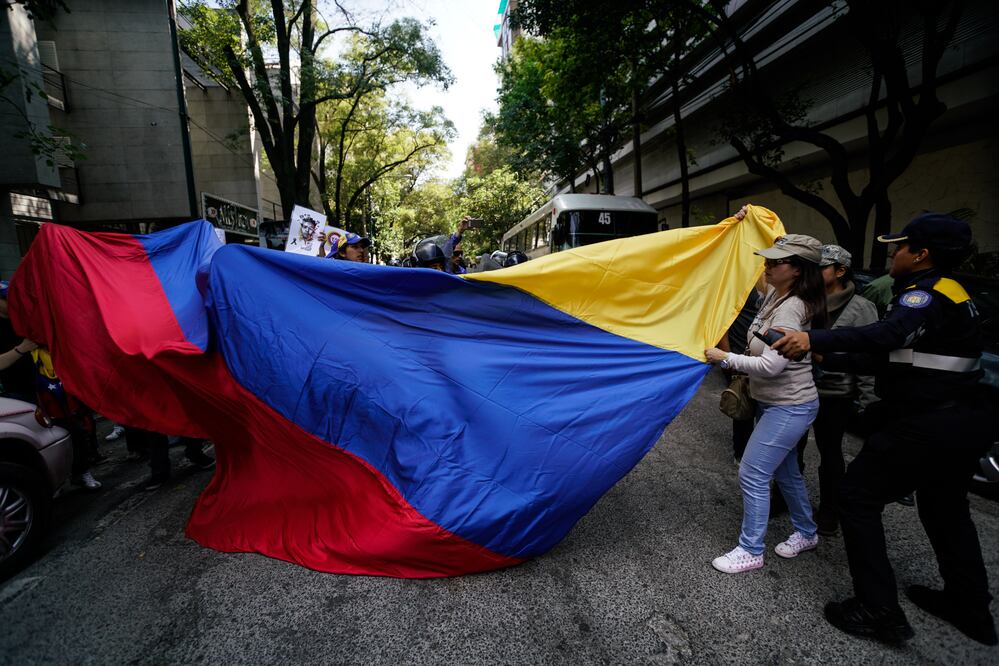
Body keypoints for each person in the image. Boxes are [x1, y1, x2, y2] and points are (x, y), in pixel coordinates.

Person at [773, 213, 996, 646]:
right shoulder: (953, 292)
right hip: (958, 420)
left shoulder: (926, 296)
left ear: (922, 254)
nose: (894, 254)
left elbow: (885, 335)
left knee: (856, 497)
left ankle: (878, 610)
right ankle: (970, 608)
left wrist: (814, 341)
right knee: (945, 509)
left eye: (901, 247)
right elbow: (897, 357)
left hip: (929, 423)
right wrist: (828, 358)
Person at [704, 218, 826, 574]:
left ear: (798, 270)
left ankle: (751, 550)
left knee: (753, 473)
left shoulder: (792, 307)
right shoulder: (778, 292)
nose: (767, 267)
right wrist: (747, 223)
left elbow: (773, 366)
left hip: (789, 406)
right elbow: (750, 275)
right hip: (775, 404)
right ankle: (806, 532)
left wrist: (724, 357)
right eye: (768, 260)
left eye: (775, 262)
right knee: (787, 474)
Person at [796, 244, 878, 536]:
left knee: (830, 453)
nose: (814, 274)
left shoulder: (862, 308)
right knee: (791, 447)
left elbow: (870, 358)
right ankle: (784, 498)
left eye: (822, 268)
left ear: (840, 271)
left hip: (836, 395)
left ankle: (830, 510)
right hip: (798, 387)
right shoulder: (806, 301)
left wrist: (869, 401)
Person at [0, 281, 37, 402]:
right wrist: (21, 349)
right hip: (17, 391)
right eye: (6, 298)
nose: (12, 301)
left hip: (44, 384)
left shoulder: (25, 317)